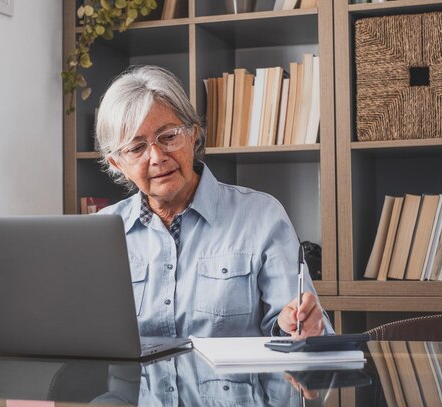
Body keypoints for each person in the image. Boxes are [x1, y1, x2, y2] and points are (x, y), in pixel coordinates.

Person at [95, 65, 333, 338]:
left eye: (169, 136)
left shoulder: (262, 215)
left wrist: (299, 326)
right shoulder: (101, 233)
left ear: (193, 134)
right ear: (117, 164)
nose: (157, 156)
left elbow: (302, 331)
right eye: (137, 148)